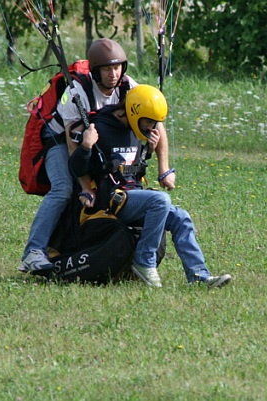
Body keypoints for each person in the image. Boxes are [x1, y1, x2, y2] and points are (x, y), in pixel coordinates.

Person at [19, 39, 175, 272]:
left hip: (94, 139)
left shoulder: (129, 87)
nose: (113, 74)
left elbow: (156, 122)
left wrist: (164, 169)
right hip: (60, 140)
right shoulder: (77, 92)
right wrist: (85, 187)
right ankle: (34, 251)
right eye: (107, 69)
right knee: (64, 189)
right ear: (95, 71)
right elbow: (73, 144)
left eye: (117, 68)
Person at [69, 84, 233, 288]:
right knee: (160, 200)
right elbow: (76, 168)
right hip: (111, 200)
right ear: (133, 112)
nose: (151, 127)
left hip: (133, 197)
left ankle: (199, 276)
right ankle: (144, 262)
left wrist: (148, 151)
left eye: (155, 123)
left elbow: (129, 169)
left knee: (181, 217)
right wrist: (86, 146)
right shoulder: (99, 129)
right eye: (148, 121)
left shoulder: (137, 130)